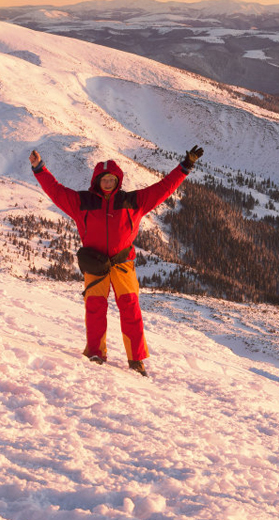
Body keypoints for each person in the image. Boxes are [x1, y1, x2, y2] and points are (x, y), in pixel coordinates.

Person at [30, 146, 203, 376]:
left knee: (131, 310)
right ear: (97, 181)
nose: (108, 182)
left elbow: (162, 189)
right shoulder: (82, 202)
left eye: (112, 178)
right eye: (104, 179)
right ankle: (95, 353)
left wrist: (184, 168)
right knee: (95, 309)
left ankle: (136, 360)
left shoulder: (134, 201)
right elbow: (56, 191)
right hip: (95, 264)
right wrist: (39, 169)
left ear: (118, 180)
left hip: (122, 264)